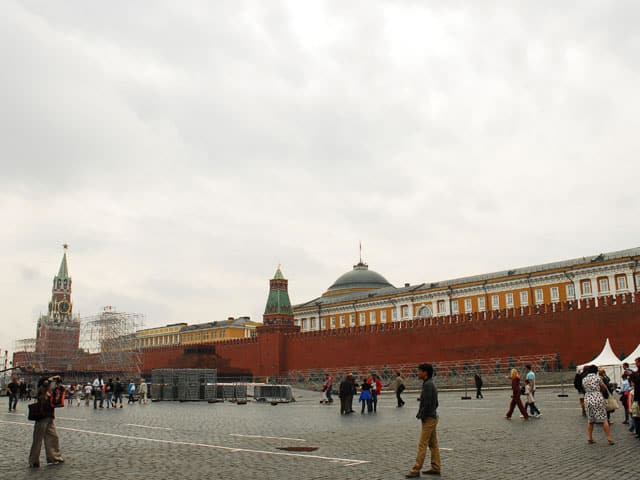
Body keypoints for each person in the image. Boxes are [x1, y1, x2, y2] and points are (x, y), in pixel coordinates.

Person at [405, 363, 441, 478]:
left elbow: (428, 404)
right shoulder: (429, 383)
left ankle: (416, 469)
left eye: (419, 371)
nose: (418, 373)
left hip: (429, 418)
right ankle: (436, 467)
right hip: (432, 416)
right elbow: (435, 403)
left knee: (422, 444)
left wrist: (422, 415)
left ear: (425, 373)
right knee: (433, 444)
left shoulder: (428, 385)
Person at [29, 376, 64, 467]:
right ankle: (34, 461)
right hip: (42, 417)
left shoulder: (49, 391)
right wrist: (51, 378)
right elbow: (45, 384)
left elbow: (57, 392)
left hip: (49, 417)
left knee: (53, 437)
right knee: (38, 440)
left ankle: (54, 458)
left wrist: (57, 380)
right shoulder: (42, 391)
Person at [582, 365, 614, 444]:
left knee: (590, 420)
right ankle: (609, 438)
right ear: (596, 371)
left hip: (588, 398)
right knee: (604, 419)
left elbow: (584, 388)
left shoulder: (584, 379)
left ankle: (590, 438)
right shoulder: (598, 378)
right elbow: (603, 387)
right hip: (597, 398)